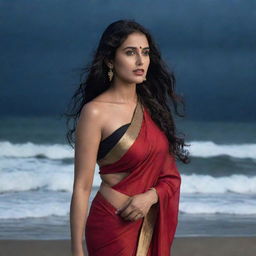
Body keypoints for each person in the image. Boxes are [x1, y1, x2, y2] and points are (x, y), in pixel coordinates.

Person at [65, 19, 189, 256]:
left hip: (147, 222)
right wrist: (76, 250)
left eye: (145, 52)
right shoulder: (95, 112)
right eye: (130, 52)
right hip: (111, 226)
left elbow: (170, 176)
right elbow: (81, 187)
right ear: (111, 60)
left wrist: (150, 197)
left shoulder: (152, 110)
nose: (141, 61)